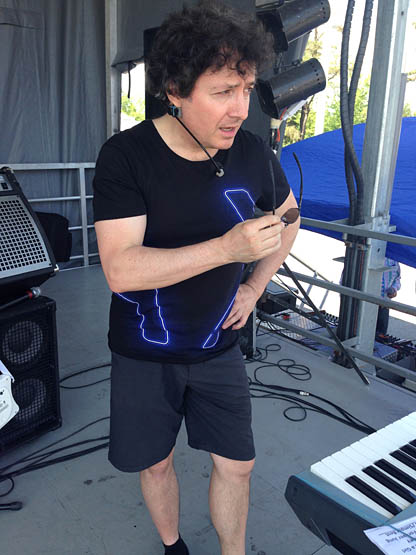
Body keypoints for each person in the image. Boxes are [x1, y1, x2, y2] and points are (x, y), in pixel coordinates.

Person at [93, 2, 299, 554]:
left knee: (238, 464)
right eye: (223, 91)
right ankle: (173, 546)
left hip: (219, 345)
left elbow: (290, 217)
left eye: (246, 89)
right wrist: (228, 249)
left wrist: (254, 286)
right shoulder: (126, 156)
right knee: (156, 463)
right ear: (176, 91)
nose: (240, 109)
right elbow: (120, 269)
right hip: (144, 350)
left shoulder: (252, 151)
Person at [377, 257, 401, 336]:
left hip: (384, 304)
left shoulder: (393, 258)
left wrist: (394, 289)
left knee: (381, 336)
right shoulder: (368, 256)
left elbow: (397, 278)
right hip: (367, 303)